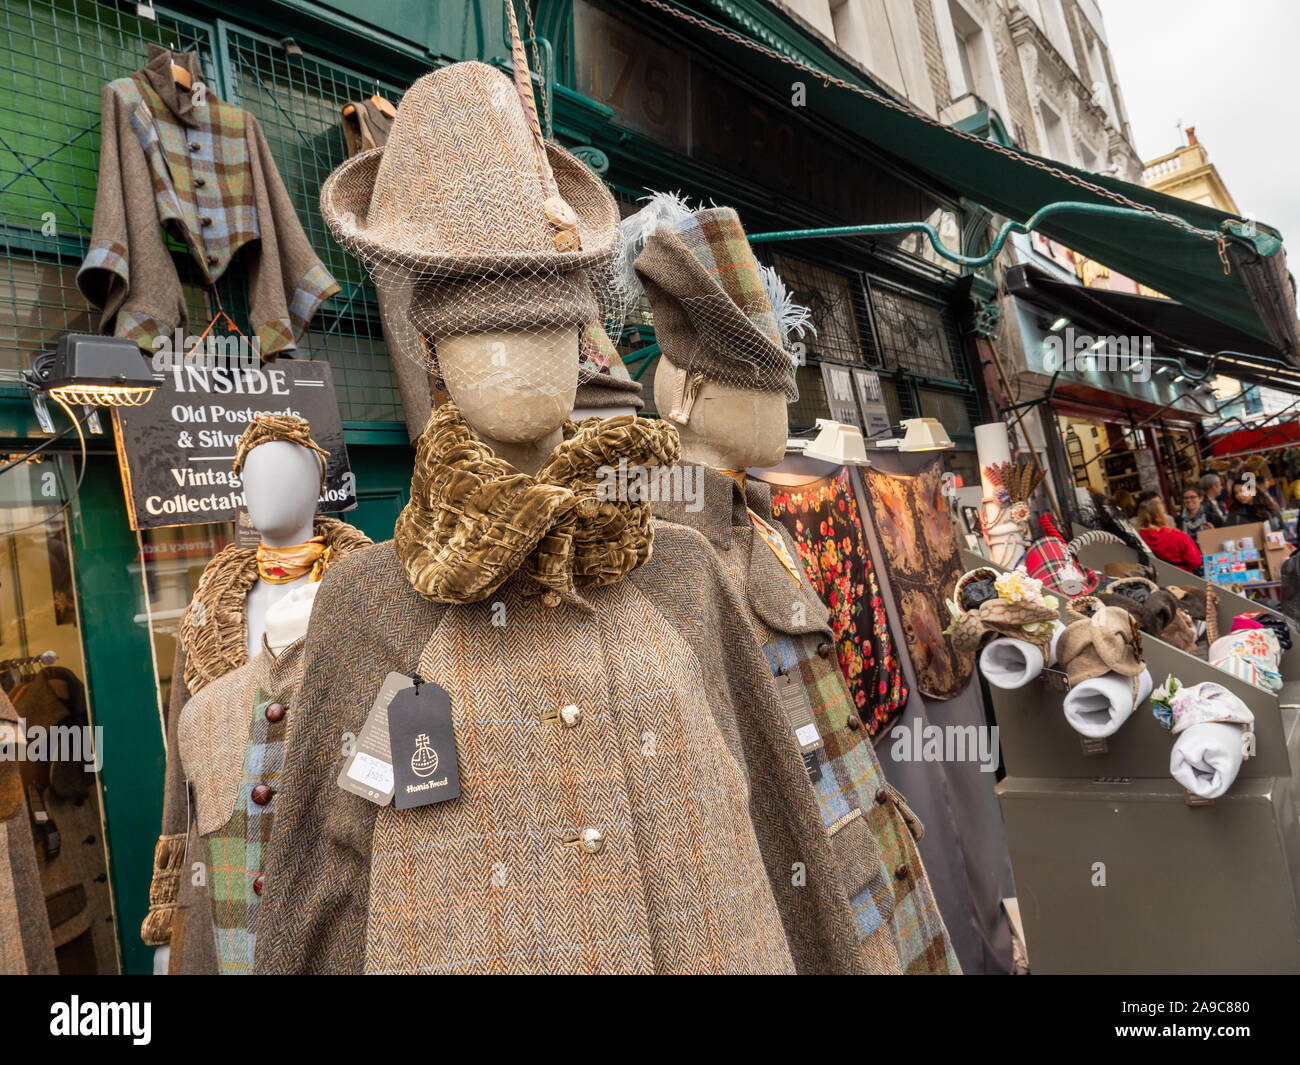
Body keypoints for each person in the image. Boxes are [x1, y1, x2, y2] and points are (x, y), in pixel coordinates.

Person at [1136, 496, 1203, 574]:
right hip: (1183, 577)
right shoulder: (1179, 536)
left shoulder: (1138, 540)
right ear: (1161, 515)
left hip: (1156, 579)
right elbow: (1195, 562)